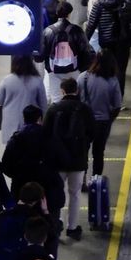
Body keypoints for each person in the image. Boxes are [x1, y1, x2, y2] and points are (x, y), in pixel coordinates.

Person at [42, 78, 95, 240]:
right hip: (78, 160)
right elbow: (92, 132)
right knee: (75, 194)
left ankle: (57, 225)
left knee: (57, 194)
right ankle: (72, 228)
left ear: (62, 91)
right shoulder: (84, 109)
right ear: (77, 90)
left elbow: (45, 135)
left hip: (57, 161)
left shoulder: (53, 110)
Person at [1, 105, 65, 225]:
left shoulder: (16, 139)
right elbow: (61, 160)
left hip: (22, 191)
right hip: (49, 191)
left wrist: (19, 176)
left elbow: (6, 166)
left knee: (22, 225)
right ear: (40, 118)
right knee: (50, 226)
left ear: (24, 119)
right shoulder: (50, 137)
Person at [85, 0, 131, 95]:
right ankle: (119, 98)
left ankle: (107, 95)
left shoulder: (99, 3)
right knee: (121, 70)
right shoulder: (125, 2)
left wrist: (85, 42)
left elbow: (91, 24)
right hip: (122, 42)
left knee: (106, 69)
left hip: (105, 41)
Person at [78, 50, 124, 177]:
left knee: (83, 152)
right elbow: (117, 105)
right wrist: (110, 119)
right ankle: (96, 180)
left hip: (85, 122)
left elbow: (76, 98)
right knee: (98, 153)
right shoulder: (113, 81)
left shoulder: (83, 77)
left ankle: (82, 180)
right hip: (103, 122)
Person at [38, 2, 92, 103]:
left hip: (54, 72)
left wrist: (48, 68)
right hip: (73, 70)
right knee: (74, 98)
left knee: (57, 100)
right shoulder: (77, 30)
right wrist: (82, 69)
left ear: (57, 14)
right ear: (69, 14)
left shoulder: (48, 31)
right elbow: (85, 51)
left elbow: (40, 56)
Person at [0, 55, 47, 148]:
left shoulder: (7, 80)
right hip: (31, 124)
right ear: (31, 63)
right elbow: (43, 104)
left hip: (10, 124)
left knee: (12, 151)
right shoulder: (37, 81)